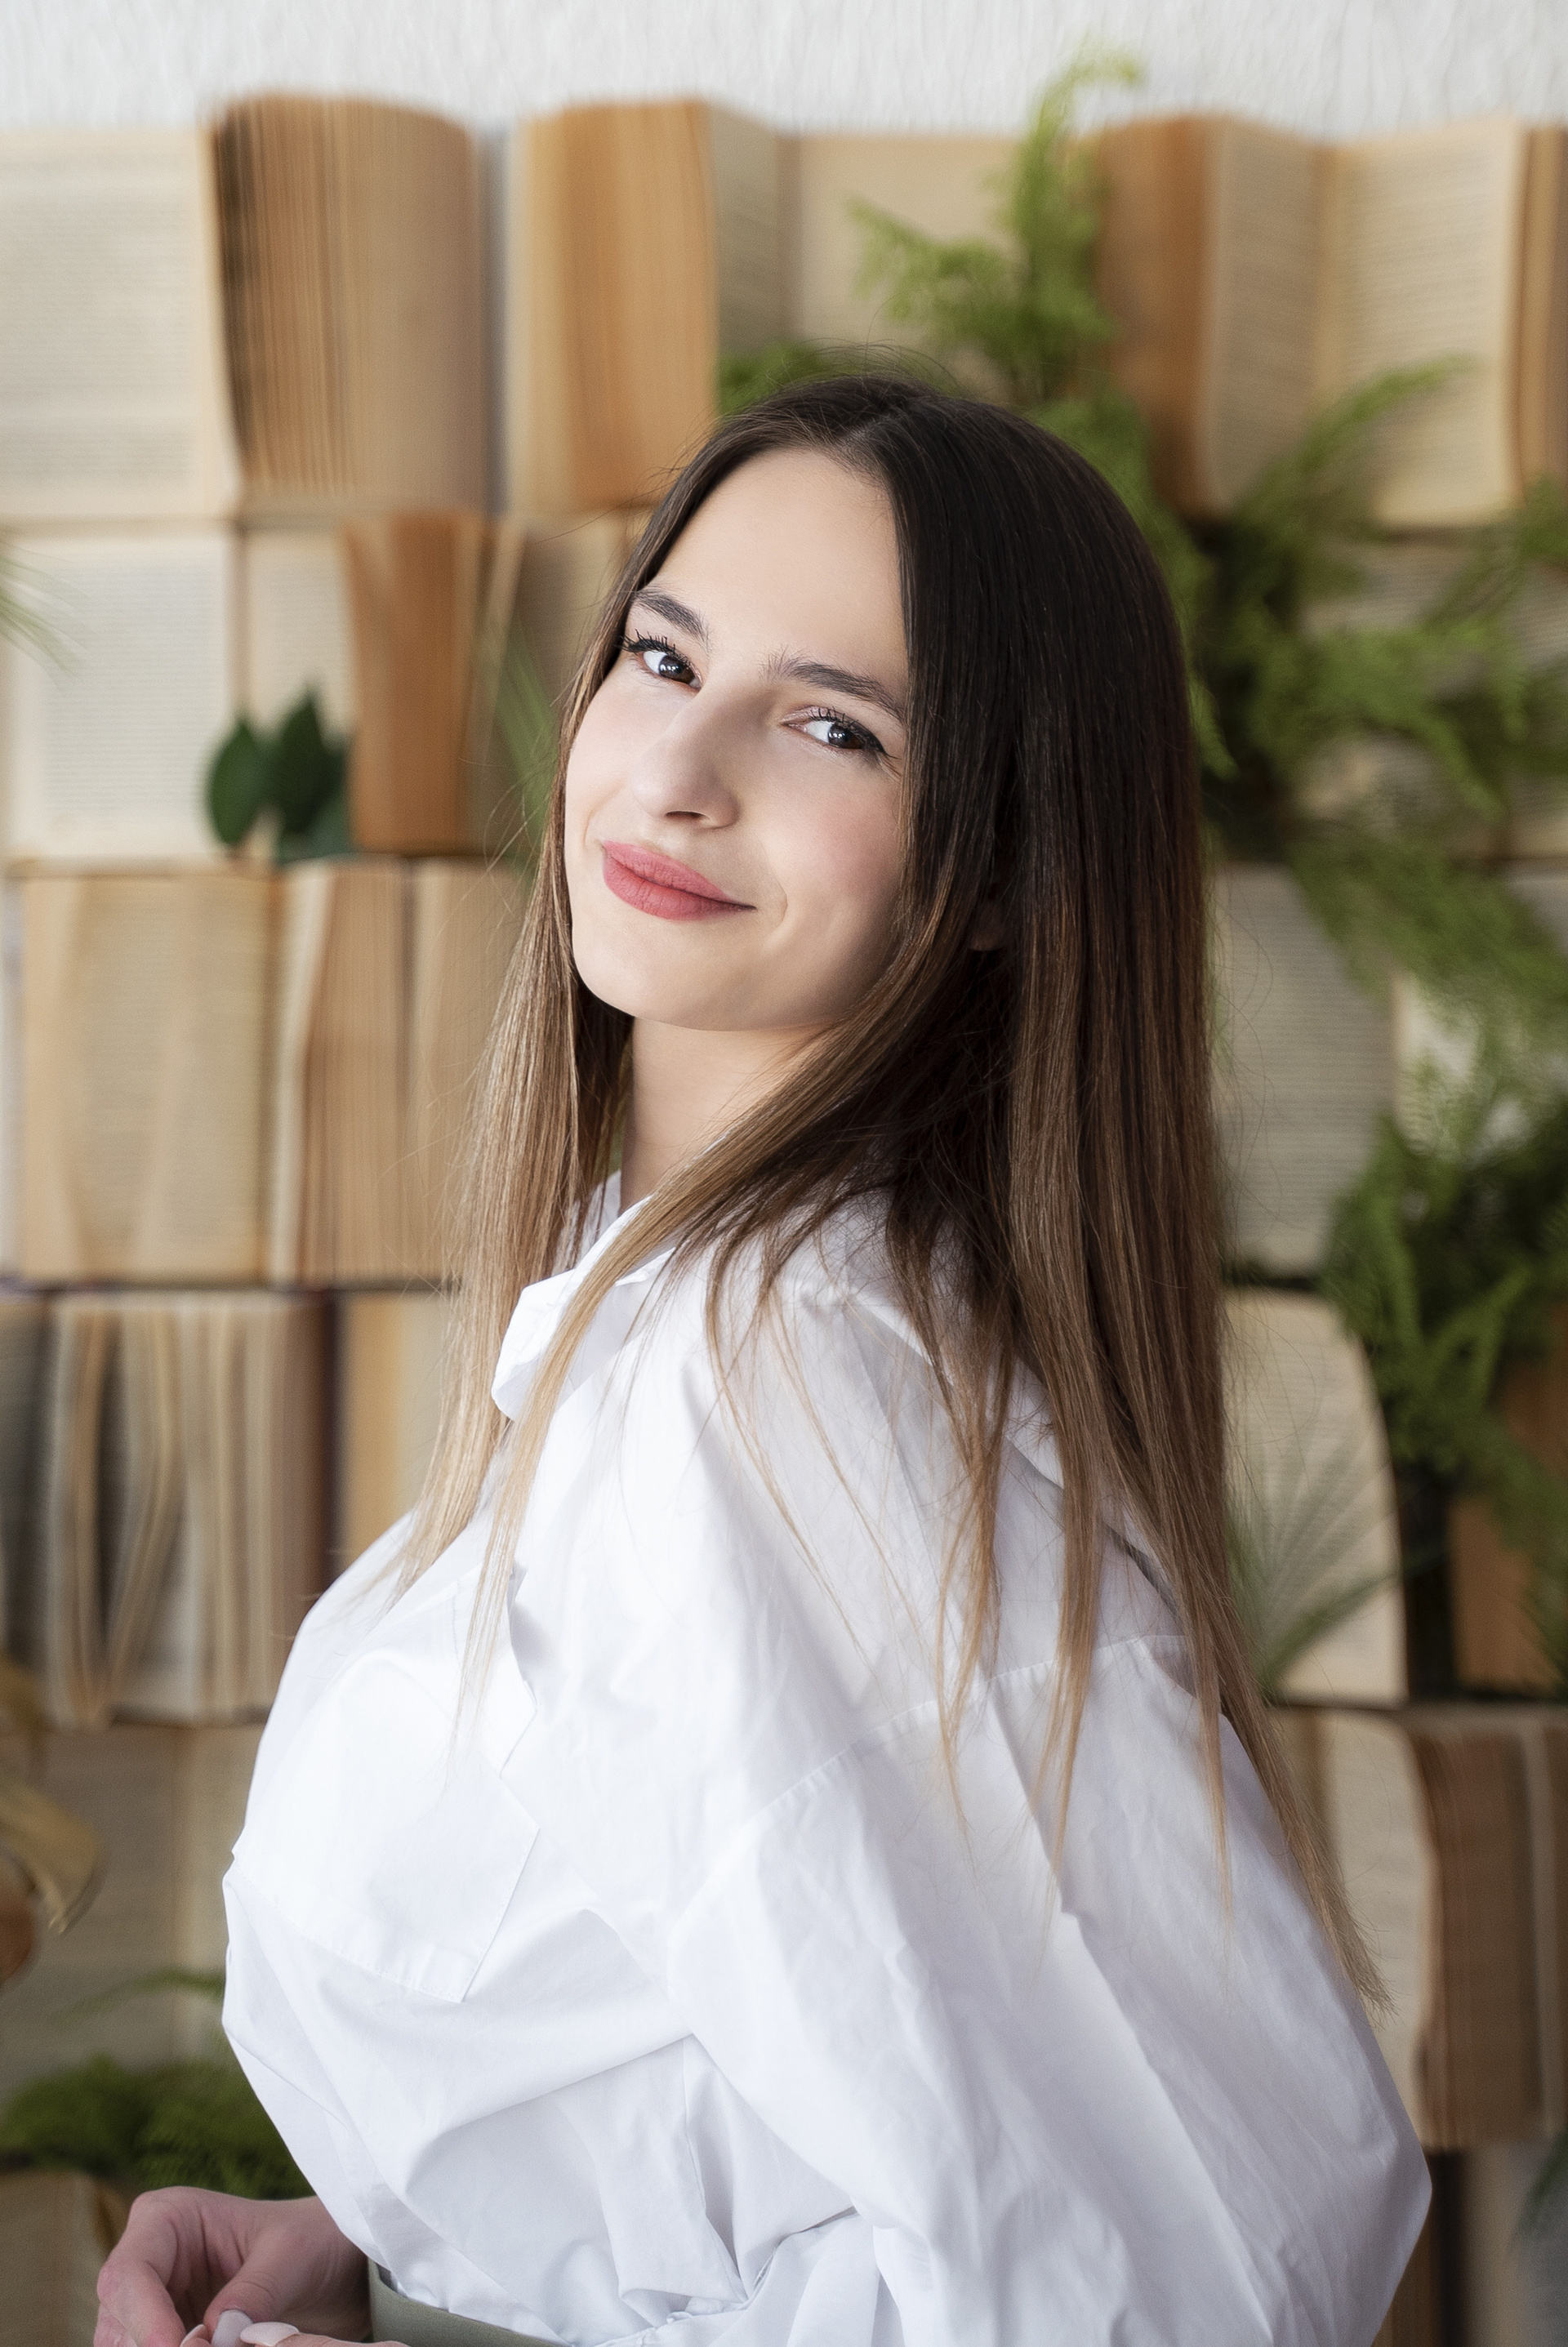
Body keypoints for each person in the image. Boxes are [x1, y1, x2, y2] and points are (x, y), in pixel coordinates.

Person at [97, 376, 1428, 2347]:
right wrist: (395, 2225)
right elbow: (814, 2051)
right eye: (663, 656)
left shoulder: (771, 1375)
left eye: (833, 726)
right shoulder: (669, 1305)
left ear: (1002, 873)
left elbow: (1181, 2279)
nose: (677, 768)